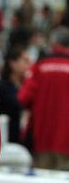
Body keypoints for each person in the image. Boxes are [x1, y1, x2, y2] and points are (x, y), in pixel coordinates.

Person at [18, 26, 69, 170]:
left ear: (53, 44)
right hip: (66, 143)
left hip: (41, 139)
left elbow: (24, 98)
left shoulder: (39, 67)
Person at [0, 45, 30, 144]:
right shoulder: (2, 87)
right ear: (13, 63)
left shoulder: (26, 86)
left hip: (23, 140)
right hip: (6, 140)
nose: (29, 65)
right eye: (25, 61)